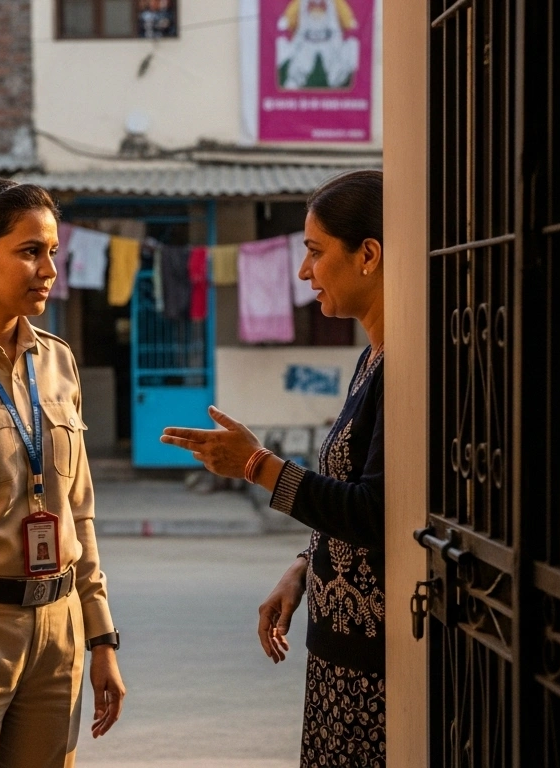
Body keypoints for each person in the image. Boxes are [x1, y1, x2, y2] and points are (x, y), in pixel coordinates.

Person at [160, 170, 385, 767]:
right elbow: (347, 490)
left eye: (314, 252)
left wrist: (256, 465)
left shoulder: (405, 369)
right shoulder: (371, 358)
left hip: (379, 669)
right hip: (341, 651)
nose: (303, 271)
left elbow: (376, 510)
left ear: (368, 255)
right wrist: (304, 567)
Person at [0, 178, 125, 768]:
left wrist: (101, 638)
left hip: (57, 627)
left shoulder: (58, 360)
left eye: (53, 253)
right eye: (29, 251)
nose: (49, 270)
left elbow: (79, 510)